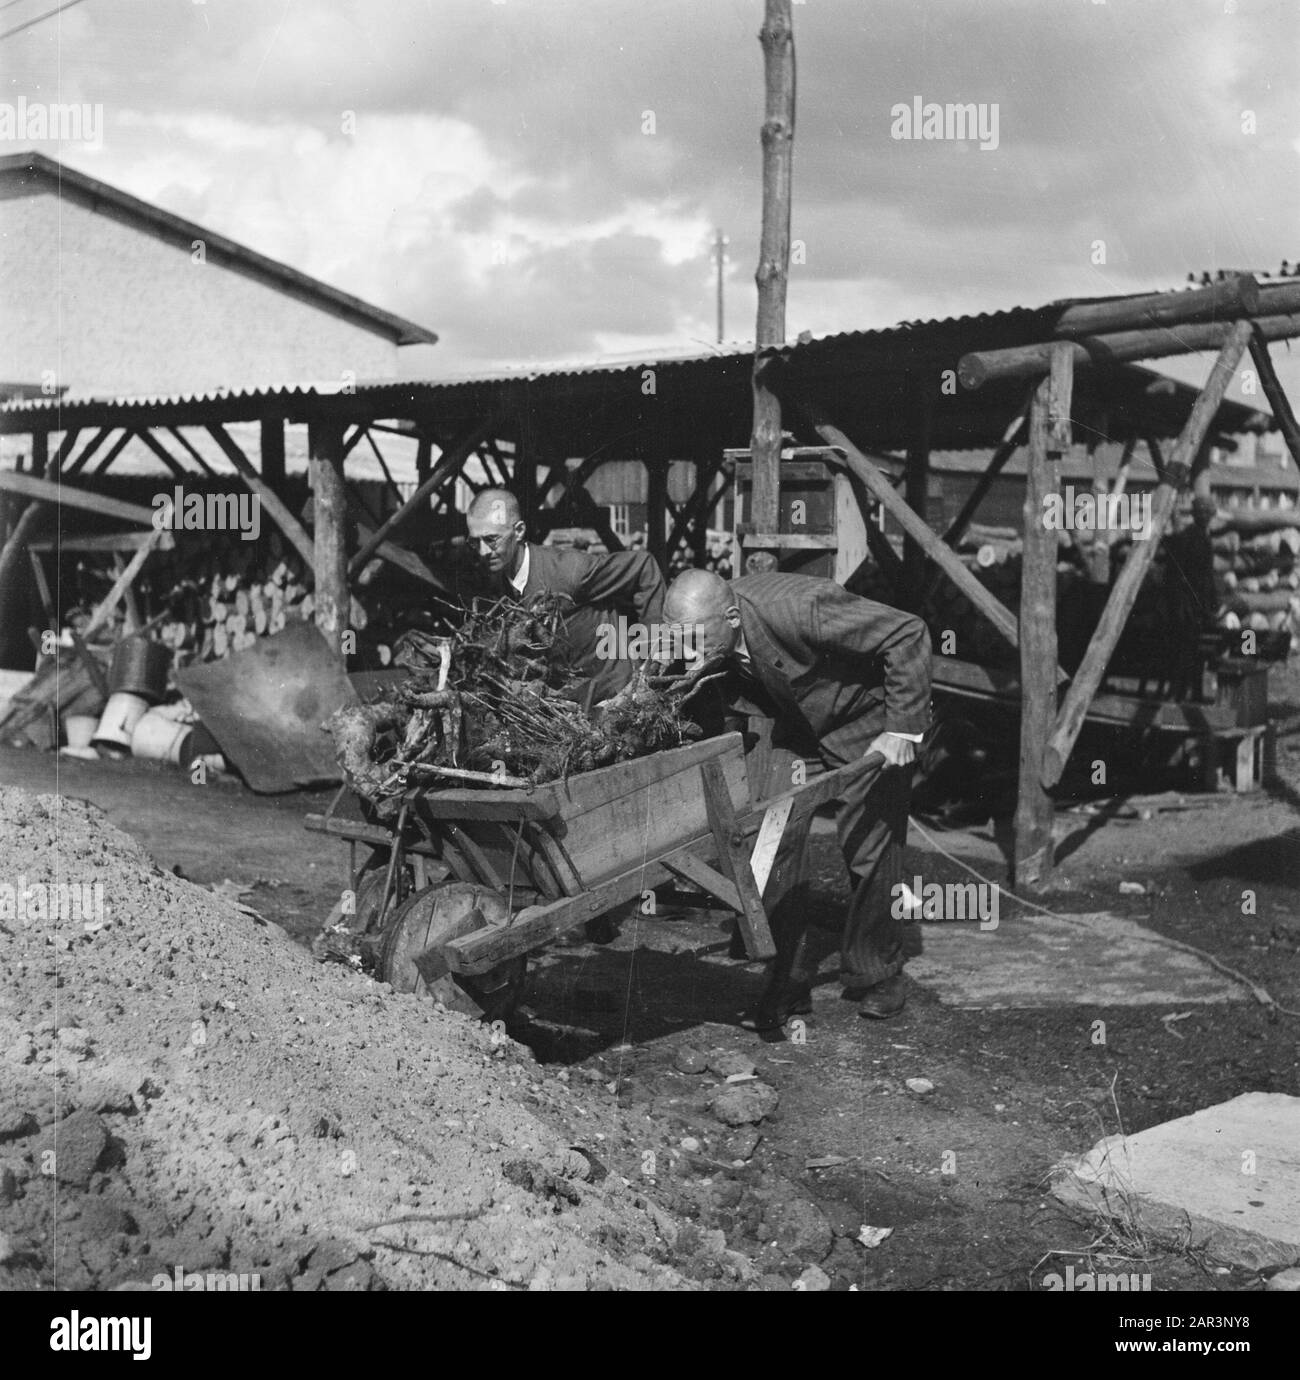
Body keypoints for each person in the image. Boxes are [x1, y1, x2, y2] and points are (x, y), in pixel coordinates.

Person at [661, 567, 932, 1031]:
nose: (684, 652)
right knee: (771, 837)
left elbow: (908, 631)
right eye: (675, 637)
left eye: (692, 639)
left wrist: (901, 728)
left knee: (869, 849)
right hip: (788, 720)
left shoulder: (802, 609)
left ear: (730, 616)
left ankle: (877, 971)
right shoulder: (701, 630)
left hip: (861, 720)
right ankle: (787, 978)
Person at [464, 487, 666, 707]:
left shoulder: (569, 572)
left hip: (617, 693)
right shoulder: (496, 586)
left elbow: (643, 567)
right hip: (568, 705)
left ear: (519, 531)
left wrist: (653, 659)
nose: (483, 551)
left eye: (491, 540)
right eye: (475, 542)